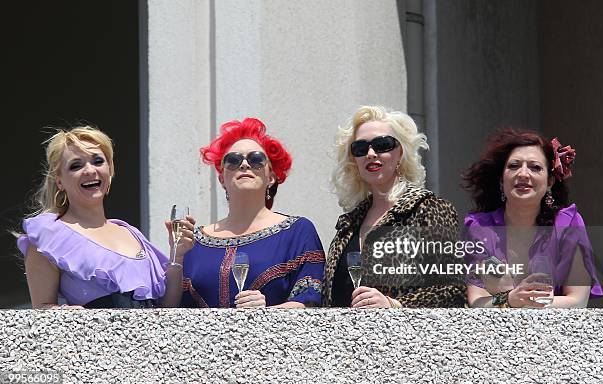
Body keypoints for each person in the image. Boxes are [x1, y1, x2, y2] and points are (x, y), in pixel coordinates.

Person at [17, 126, 189, 308]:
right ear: (59, 181)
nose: (90, 171)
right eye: (76, 165)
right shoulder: (49, 234)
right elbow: (41, 311)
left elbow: (168, 311)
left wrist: (177, 256)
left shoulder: (131, 234)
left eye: (98, 161)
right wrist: (65, 314)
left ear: (110, 170)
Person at [323, 106, 466, 308]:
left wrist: (394, 305)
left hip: (404, 338)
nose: (371, 153)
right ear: (354, 160)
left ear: (401, 153)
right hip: (346, 338)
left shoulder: (428, 208)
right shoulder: (349, 224)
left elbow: (453, 290)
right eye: (361, 149)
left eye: (382, 144)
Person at [178, 117, 325, 308]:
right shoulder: (194, 241)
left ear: (271, 177)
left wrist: (267, 314)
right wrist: (176, 256)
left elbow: (311, 302)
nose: (245, 164)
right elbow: (173, 307)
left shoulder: (297, 231)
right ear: (222, 178)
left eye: (256, 159)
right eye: (233, 160)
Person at [462, 128, 603, 308]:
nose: (523, 174)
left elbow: (577, 301)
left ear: (550, 181)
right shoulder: (479, 227)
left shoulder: (568, 224)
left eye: (535, 167)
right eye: (514, 166)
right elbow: (477, 301)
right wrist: (510, 299)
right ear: (501, 179)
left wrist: (527, 302)